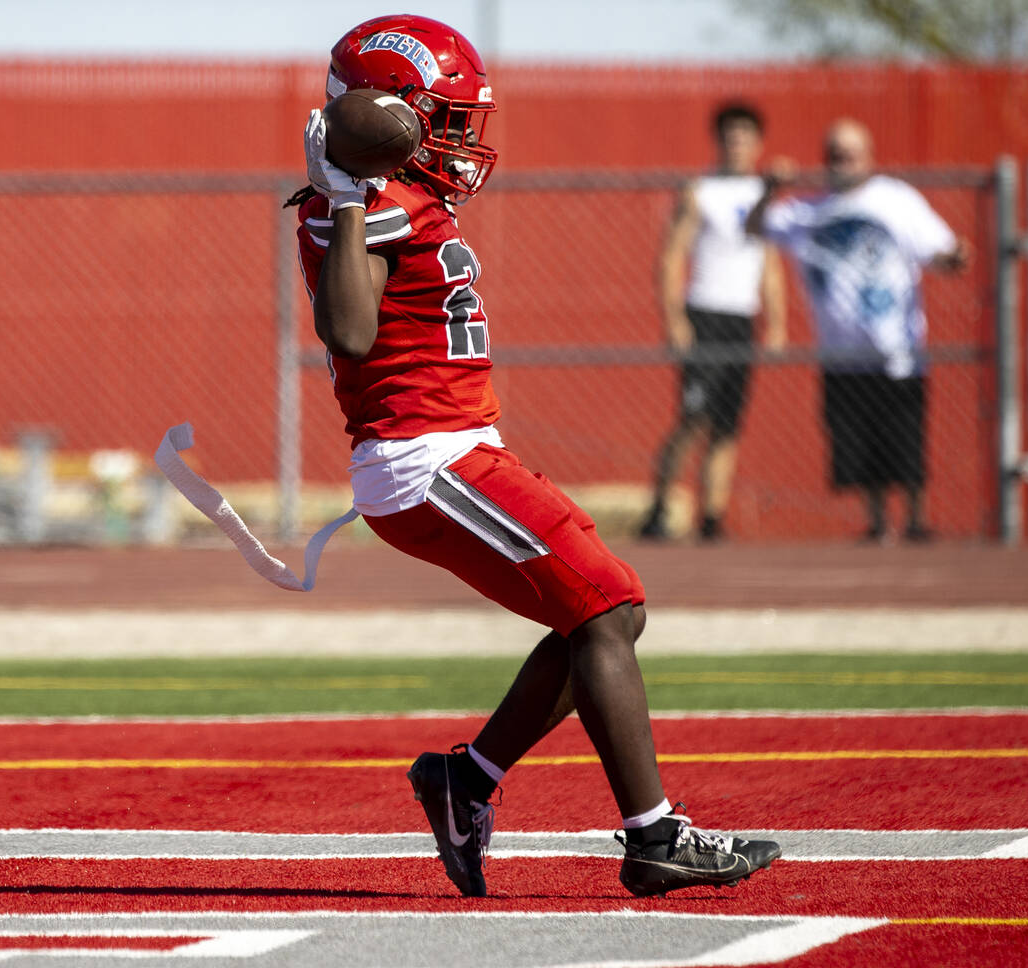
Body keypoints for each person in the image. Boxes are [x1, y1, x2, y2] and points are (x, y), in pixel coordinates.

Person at [288, 14, 780, 899]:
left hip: (457, 447)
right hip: (424, 458)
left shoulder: (388, 200)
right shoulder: (353, 205)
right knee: (609, 605)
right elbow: (351, 331)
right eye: (437, 119)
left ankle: (466, 780)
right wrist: (352, 190)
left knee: (605, 616)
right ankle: (654, 835)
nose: (456, 141)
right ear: (384, 116)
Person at [746, 118, 970, 543]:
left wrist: (954, 257)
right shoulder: (806, 211)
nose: (841, 161)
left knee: (903, 434)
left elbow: (938, 251)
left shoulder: (895, 199)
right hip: (840, 353)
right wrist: (769, 188)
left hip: (896, 349)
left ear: (868, 156)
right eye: (834, 152)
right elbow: (754, 227)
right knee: (857, 439)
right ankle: (878, 521)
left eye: (850, 152)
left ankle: (916, 520)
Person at [639, 103, 787, 542]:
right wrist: (675, 320)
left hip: (742, 318)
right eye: (730, 135)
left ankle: (712, 516)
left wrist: (777, 323)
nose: (737, 143)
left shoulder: (765, 193)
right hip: (704, 313)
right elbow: (671, 256)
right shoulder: (701, 190)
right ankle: (660, 506)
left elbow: (771, 263)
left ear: (758, 143)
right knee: (693, 417)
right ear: (719, 141)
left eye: (745, 135)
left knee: (727, 426)